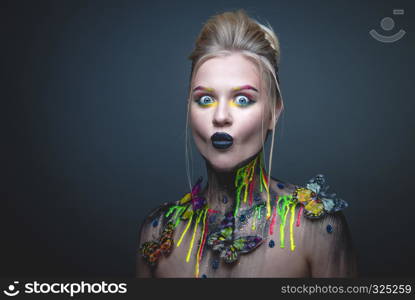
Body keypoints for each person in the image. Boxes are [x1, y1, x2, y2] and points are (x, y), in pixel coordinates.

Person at [136, 9, 357, 278]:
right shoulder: (158, 232)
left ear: (273, 112)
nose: (220, 117)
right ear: (188, 109)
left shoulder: (317, 228)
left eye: (243, 99)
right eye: (205, 100)